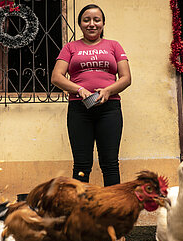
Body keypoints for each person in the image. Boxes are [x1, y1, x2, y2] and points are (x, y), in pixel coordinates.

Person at [51, 4, 131, 186]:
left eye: (97, 19)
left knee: (110, 164)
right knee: (81, 164)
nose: (92, 24)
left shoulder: (114, 45)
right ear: (80, 24)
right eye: (86, 20)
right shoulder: (70, 47)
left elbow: (126, 78)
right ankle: (79, 210)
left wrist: (108, 90)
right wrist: (79, 90)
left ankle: (112, 211)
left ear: (103, 23)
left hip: (110, 109)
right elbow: (56, 77)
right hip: (79, 110)